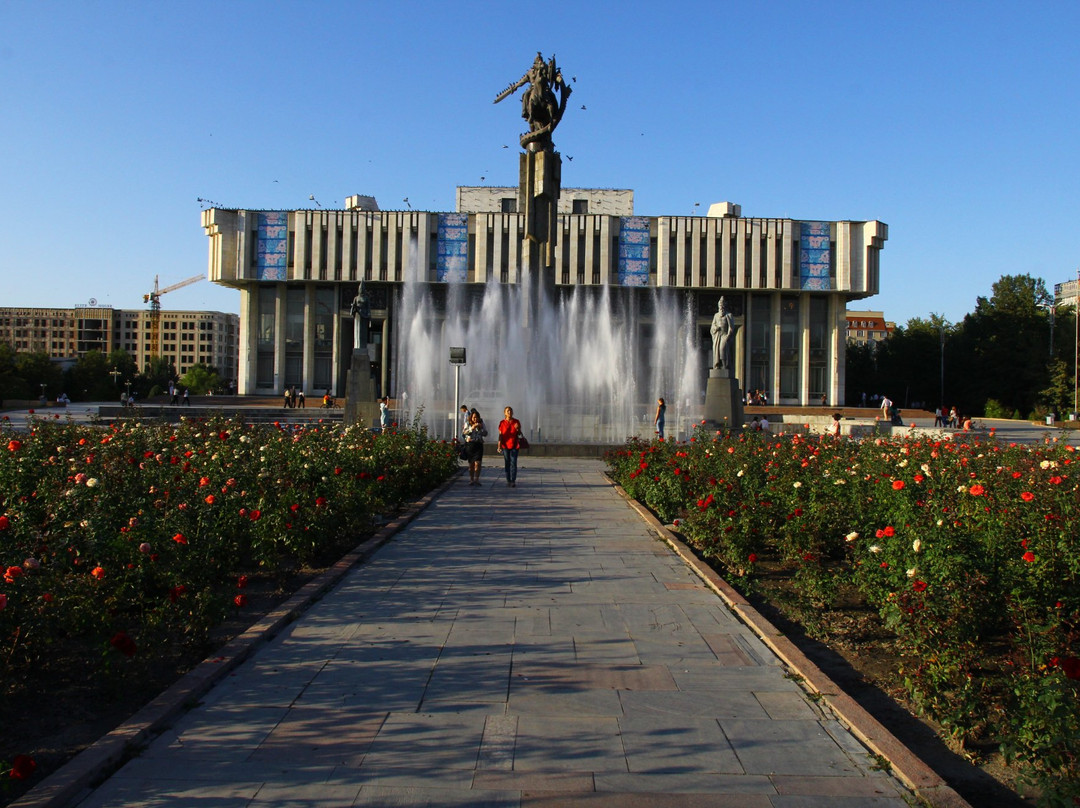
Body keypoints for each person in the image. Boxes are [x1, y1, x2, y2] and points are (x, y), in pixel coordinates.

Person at [497, 406, 524, 487]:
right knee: (507, 463)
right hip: (505, 446)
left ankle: (513, 480)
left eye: (511, 411)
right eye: (507, 411)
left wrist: (518, 429)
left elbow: (520, 434)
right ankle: (508, 480)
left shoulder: (516, 422)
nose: (509, 412)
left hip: (514, 445)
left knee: (513, 463)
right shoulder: (502, 423)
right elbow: (500, 435)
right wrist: (499, 446)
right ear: (504, 413)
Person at [710, 297, 736, 370]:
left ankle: (725, 365)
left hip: (725, 335)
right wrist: (715, 328)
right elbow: (712, 326)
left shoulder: (729, 315)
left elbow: (731, 327)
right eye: (720, 306)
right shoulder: (716, 315)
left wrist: (728, 335)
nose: (721, 307)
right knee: (717, 350)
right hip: (718, 335)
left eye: (722, 306)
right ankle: (718, 364)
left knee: (722, 349)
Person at [463, 409, 487, 486]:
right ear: (471, 418)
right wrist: (472, 428)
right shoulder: (468, 423)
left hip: (478, 445)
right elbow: (464, 432)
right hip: (470, 445)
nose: (475, 419)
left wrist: (481, 429)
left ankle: (477, 479)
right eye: (474, 417)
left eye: (477, 417)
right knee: (471, 464)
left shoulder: (481, 423)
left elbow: (485, 433)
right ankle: (471, 479)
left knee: (478, 463)